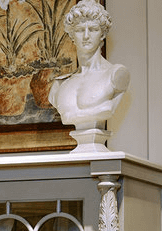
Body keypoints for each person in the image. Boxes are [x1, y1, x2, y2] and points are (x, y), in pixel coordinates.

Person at [49, 0, 129, 132]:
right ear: (72, 35)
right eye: (80, 30)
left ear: (102, 34)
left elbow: (108, 111)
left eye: (93, 29)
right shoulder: (59, 85)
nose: (86, 36)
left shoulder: (116, 74)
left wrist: (73, 115)